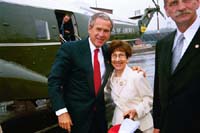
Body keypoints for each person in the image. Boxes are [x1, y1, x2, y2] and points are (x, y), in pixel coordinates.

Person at [153, 0, 200, 133]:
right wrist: (157, 124)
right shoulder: (162, 45)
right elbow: (158, 89)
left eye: (186, 0)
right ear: (166, 11)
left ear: (197, 2)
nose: (181, 7)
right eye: (173, 3)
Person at [106, 40, 153, 133]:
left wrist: (136, 110)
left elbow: (149, 99)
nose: (117, 59)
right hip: (120, 125)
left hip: (141, 127)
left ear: (127, 58)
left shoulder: (137, 76)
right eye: (114, 55)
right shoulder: (110, 78)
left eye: (121, 55)